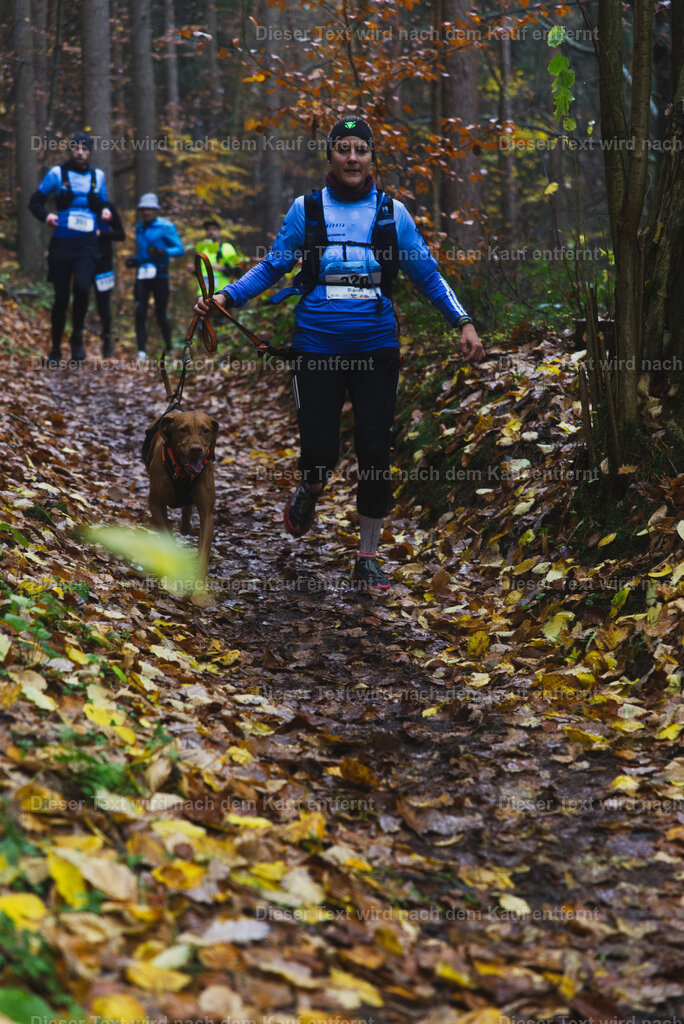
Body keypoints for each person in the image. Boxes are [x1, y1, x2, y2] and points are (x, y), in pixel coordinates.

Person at [193, 117, 484, 593]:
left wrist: (463, 321)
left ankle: (367, 557)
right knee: (321, 453)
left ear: (372, 158)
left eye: (361, 150)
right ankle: (309, 490)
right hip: (316, 345)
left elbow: (428, 274)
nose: (352, 158)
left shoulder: (393, 215)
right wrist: (226, 297)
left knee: (374, 450)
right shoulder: (306, 210)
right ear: (330, 155)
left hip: (376, 346)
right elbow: (273, 266)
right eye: (344, 149)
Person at [29, 131, 112, 364]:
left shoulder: (98, 176)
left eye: (85, 149)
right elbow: (34, 202)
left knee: (84, 289)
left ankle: (77, 338)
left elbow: (103, 203)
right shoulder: (57, 173)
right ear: (70, 150)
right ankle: (55, 346)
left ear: (90, 152)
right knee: (61, 296)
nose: (80, 153)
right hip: (62, 243)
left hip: (87, 244)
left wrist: (104, 211)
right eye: (76, 148)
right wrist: (46, 216)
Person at [126, 193, 184, 360]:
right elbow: (142, 254)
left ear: (156, 210)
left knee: (161, 313)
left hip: (160, 274)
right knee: (139, 312)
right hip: (142, 274)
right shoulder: (139, 228)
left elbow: (179, 249)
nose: (146, 212)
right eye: (143, 209)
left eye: (150, 209)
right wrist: (134, 261)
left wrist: (163, 252)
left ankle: (169, 348)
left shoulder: (166, 227)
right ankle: (141, 351)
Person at [93, 200, 125, 358]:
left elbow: (121, 234)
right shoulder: (76, 204)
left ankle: (107, 338)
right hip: (82, 260)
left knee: (103, 304)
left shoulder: (107, 207)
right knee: (80, 295)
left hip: (103, 264)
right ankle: (77, 338)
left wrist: (102, 233)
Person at [196, 220, 242, 292]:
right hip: (203, 294)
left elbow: (237, 271)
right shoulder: (202, 249)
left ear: (219, 232)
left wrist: (223, 269)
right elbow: (200, 273)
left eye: (214, 229)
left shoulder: (226, 247)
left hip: (222, 293)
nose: (210, 232)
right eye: (208, 229)